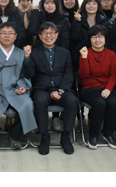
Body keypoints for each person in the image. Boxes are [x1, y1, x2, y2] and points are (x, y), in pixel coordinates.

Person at [23, 22, 77, 155]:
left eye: (51, 33)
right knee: (40, 101)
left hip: (61, 89)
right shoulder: (34, 53)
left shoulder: (65, 53)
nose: (48, 36)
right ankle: (44, 137)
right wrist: (27, 58)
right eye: (45, 33)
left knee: (72, 101)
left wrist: (61, 91)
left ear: (57, 35)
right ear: (40, 36)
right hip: (41, 89)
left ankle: (66, 137)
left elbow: (69, 74)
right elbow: (29, 74)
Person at [77, 24, 116, 149]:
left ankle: (108, 133)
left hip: (108, 87)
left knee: (113, 103)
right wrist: (84, 57)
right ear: (90, 39)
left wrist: (108, 89)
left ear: (105, 39)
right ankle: (93, 134)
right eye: (94, 37)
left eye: (100, 37)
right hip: (89, 88)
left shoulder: (111, 54)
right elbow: (84, 75)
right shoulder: (85, 52)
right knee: (99, 103)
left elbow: (113, 75)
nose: (97, 40)